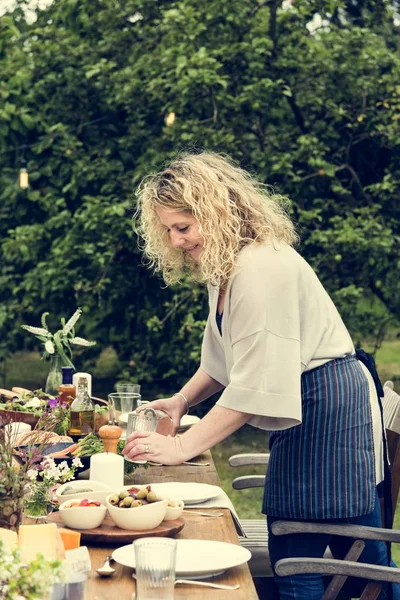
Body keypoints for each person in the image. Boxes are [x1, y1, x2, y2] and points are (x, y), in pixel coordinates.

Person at [123, 150, 396, 599]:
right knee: (338, 548)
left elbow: (253, 388)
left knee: (308, 552)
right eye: (169, 230)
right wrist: (181, 402)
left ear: (215, 211)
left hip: (326, 407)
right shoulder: (227, 267)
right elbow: (224, 361)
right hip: (311, 401)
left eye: (183, 227)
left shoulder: (260, 268)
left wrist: (180, 446)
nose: (175, 242)